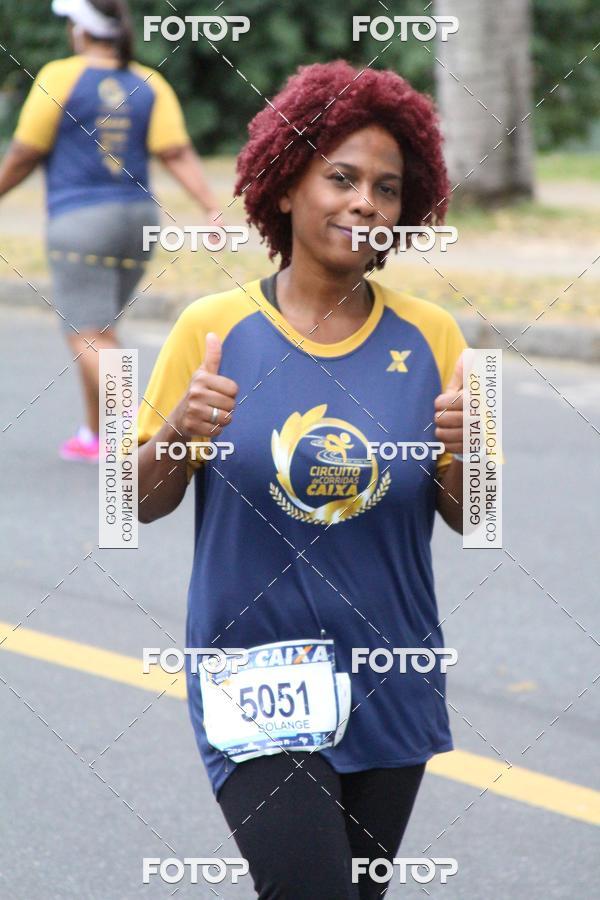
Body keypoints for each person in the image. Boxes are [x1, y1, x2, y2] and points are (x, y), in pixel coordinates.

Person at [137, 60, 467, 899]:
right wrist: (180, 430)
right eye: (341, 178)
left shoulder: (438, 338)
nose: (366, 204)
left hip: (392, 677)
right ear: (285, 188)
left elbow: (481, 516)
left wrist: (466, 451)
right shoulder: (209, 329)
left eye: (387, 189)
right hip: (256, 681)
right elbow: (125, 502)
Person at [0, 0, 221, 462]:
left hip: (80, 223)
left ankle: (134, 433)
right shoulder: (149, 81)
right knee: (98, 329)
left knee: (88, 333)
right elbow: (176, 151)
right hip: (139, 221)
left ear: (80, 30)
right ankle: (94, 434)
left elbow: (24, 152)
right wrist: (210, 205)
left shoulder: (60, 76)